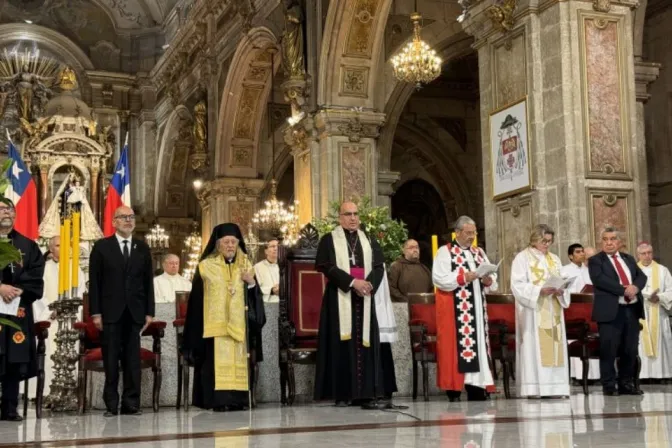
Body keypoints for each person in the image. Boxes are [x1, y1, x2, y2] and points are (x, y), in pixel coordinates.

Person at [182, 223, 266, 411]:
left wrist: (251, 283)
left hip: (239, 327)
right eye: (226, 242)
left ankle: (239, 400)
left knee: (239, 362)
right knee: (213, 365)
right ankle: (216, 401)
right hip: (213, 329)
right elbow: (196, 302)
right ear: (218, 244)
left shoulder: (246, 265)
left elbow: (255, 298)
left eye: (233, 242)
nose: (230, 246)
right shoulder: (205, 267)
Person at [313, 201, 385, 409]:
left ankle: (365, 392)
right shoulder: (329, 240)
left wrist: (368, 285)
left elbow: (379, 267)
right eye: (348, 214)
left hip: (365, 296)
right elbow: (326, 266)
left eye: (355, 214)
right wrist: (353, 283)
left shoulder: (369, 239)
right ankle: (342, 393)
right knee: (341, 343)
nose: (353, 218)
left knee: (365, 343)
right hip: (339, 297)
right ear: (340, 217)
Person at [88, 206, 155, 416]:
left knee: (132, 360)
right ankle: (111, 403)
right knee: (111, 359)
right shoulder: (102, 247)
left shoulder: (142, 248)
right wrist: (96, 312)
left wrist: (149, 312)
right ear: (114, 222)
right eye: (123, 217)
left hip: (134, 312)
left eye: (131, 217)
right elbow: (95, 283)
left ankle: (131, 403)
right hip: (109, 312)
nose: (128, 221)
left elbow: (148, 283)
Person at [432, 216, 497, 402]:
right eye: (468, 233)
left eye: (474, 233)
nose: (471, 237)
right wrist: (463, 277)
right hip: (456, 309)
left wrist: (488, 280)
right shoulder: (445, 252)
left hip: (477, 307)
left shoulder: (479, 252)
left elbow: (493, 282)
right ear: (457, 232)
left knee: (478, 344)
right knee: (457, 346)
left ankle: (477, 385)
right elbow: (439, 279)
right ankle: (455, 388)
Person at [510, 224, 570, 398]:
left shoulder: (555, 259)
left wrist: (562, 290)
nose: (547, 245)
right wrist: (538, 291)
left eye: (550, 241)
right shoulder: (522, 258)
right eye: (544, 241)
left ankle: (557, 388)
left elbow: (562, 279)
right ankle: (535, 388)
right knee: (534, 347)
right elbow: (517, 285)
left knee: (555, 347)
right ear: (534, 239)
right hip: (534, 312)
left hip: (554, 309)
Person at [0, 200, 45, 421]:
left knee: (13, 359)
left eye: (9, 209)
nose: (5, 213)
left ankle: (9, 407)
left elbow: (36, 276)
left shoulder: (28, 246)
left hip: (17, 311)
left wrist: (15, 290)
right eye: (0, 209)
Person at [589, 227, 647, 395]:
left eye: (613, 239)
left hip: (631, 309)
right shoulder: (596, 261)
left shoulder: (628, 259)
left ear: (619, 242)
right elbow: (600, 280)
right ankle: (609, 385)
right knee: (609, 349)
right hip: (610, 311)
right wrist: (624, 290)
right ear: (602, 242)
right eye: (605, 239)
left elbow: (641, 276)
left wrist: (635, 287)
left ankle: (626, 383)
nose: (609, 242)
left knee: (630, 349)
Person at [29, 236, 86, 399]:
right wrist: (51, 311)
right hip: (50, 320)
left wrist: (69, 309)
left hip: (69, 319)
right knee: (48, 350)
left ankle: (70, 389)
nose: (64, 248)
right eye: (59, 245)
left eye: (67, 245)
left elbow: (81, 294)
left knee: (70, 351)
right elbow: (39, 294)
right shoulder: (43, 269)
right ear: (51, 249)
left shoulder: (76, 269)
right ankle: (44, 391)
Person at [635, 242, 672, 380]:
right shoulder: (633, 270)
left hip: (658, 310)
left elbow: (670, 290)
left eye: (649, 252)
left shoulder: (663, 270)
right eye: (643, 253)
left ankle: (662, 374)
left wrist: (660, 297)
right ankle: (642, 375)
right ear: (638, 255)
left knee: (661, 341)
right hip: (640, 310)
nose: (647, 256)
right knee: (640, 342)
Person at [254, 239, 280, 303]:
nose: (276, 248)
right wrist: (271, 290)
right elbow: (255, 288)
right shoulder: (257, 267)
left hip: (283, 304)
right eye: (273, 246)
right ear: (266, 251)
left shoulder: (285, 266)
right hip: (266, 304)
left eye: (278, 246)